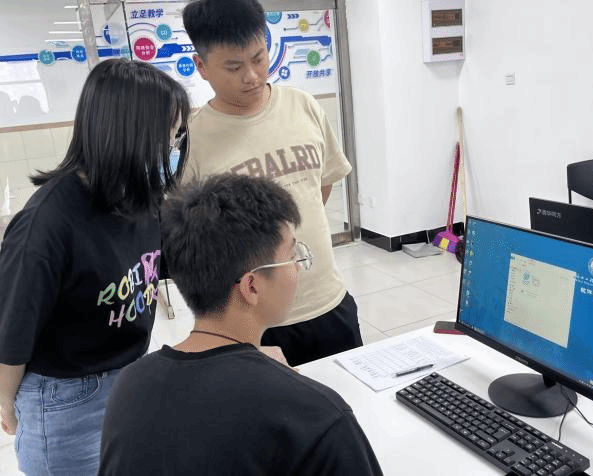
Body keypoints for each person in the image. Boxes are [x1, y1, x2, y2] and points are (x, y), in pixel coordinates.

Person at [98, 174, 383, 475]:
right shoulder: (316, 416)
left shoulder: (129, 386)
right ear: (251, 286)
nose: (298, 268)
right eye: (292, 256)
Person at [0, 58, 190, 475]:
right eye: (166, 136)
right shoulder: (46, 223)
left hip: (128, 377)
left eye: (178, 136)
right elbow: (11, 332)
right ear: (126, 133)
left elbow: (162, 266)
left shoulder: (139, 198)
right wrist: (7, 403)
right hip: (65, 398)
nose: (173, 150)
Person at [181, 0, 363, 367]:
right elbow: (197, 240)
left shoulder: (303, 106)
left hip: (328, 302)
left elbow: (319, 187)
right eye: (234, 66)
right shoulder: (194, 140)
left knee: (348, 398)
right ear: (201, 66)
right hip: (253, 325)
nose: (251, 76)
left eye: (259, 58)